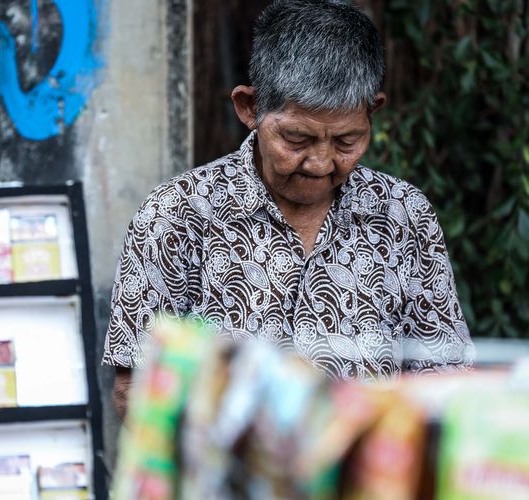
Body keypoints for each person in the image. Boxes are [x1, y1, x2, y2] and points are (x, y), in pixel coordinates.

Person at [103, 0, 474, 419]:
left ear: (374, 111)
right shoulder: (176, 215)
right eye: (297, 139)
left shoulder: (405, 215)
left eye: (346, 141)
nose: (320, 163)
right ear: (249, 109)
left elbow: (446, 378)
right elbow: (136, 387)